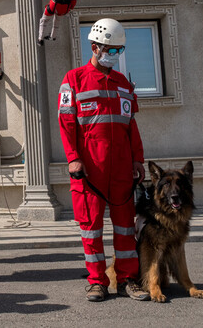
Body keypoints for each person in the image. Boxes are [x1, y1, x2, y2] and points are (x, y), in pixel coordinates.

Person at [57, 18, 149, 302]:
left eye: (118, 50)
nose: (114, 55)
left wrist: (137, 160)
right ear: (95, 47)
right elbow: (66, 123)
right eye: (110, 49)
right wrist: (73, 159)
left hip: (121, 169)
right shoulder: (73, 80)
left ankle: (127, 280)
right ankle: (97, 281)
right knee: (91, 228)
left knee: (124, 227)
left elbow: (130, 125)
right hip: (89, 171)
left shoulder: (123, 84)